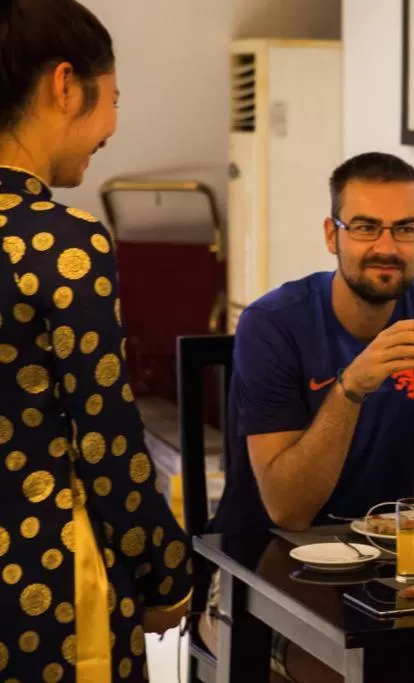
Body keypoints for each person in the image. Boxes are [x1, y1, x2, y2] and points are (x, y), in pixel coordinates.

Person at [202, 152, 414, 681]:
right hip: (258, 573)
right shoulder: (274, 324)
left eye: (405, 228)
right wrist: (351, 388)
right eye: (364, 227)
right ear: (331, 234)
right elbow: (288, 511)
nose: (386, 247)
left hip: (388, 568)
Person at [0, 1, 193, 680]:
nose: (112, 124)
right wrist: (166, 573)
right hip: (38, 578)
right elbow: (106, 438)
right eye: (114, 96)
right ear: (64, 85)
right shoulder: (61, 243)